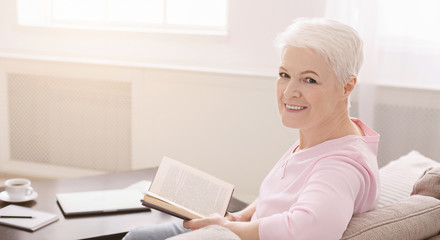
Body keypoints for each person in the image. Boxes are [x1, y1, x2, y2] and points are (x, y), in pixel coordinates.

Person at [123, 18, 380, 240]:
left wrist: (230, 229)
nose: (290, 92)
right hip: (244, 228)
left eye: (309, 79)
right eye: (284, 75)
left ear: (347, 87)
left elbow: (309, 229)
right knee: (137, 235)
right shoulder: (321, 135)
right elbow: (283, 196)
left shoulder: (342, 165)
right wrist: (242, 216)